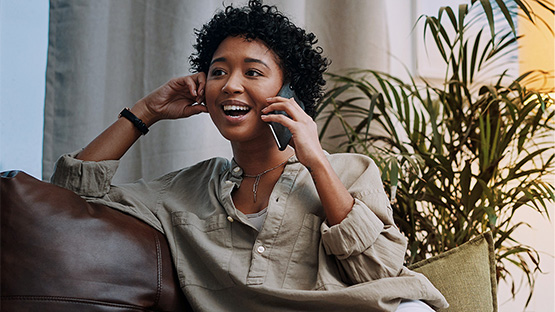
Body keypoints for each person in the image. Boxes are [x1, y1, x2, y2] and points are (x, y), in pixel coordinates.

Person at [51, 1, 448, 311]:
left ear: (289, 92)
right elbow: (70, 196)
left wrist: (317, 163)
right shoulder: (183, 191)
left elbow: (379, 272)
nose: (231, 85)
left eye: (253, 73)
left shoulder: (349, 170)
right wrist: (146, 111)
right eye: (219, 72)